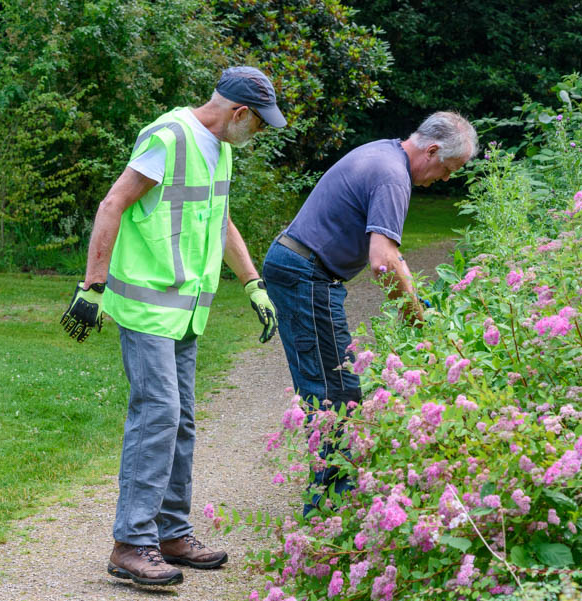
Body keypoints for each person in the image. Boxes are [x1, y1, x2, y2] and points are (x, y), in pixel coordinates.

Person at [59, 66, 285, 587]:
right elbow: (112, 203)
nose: (258, 134)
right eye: (259, 124)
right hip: (145, 305)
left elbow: (220, 220)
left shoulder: (220, 149)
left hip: (185, 309)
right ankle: (131, 543)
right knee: (158, 412)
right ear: (239, 113)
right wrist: (92, 286)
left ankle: (171, 533)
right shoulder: (168, 138)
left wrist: (253, 283)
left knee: (180, 419)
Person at [261, 111, 478, 514]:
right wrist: (413, 315)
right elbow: (381, 261)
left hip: (296, 266)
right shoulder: (393, 176)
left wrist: (418, 302)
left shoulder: (384, 155)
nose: (446, 179)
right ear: (431, 150)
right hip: (307, 274)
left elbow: (393, 256)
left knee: (325, 385)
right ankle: (329, 508)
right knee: (337, 393)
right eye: (448, 168)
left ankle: (329, 498)